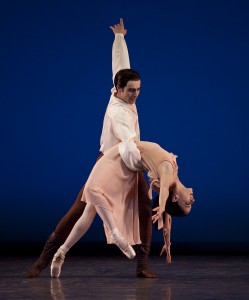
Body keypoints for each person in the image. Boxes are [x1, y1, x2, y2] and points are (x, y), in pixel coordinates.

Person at [27, 18, 156, 278]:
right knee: (80, 209)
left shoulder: (120, 89)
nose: (136, 95)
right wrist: (149, 168)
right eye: (131, 91)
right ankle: (44, 258)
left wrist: (119, 38)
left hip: (130, 162)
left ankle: (142, 264)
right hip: (113, 162)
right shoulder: (118, 113)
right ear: (119, 90)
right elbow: (130, 146)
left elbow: (121, 67)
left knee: (144, 204)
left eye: (138, 90)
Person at [50, 141, 194, 278]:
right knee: (90, 204)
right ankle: (63, 251)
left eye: (187, 204)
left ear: (175, 198)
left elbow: (164, 195)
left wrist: (162, 207)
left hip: (119, 158)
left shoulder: (167, 175)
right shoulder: (170, 180)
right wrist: (167, 245)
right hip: (122, 161)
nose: (192, 200)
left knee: (91, 195)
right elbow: (167, 212)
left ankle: (64, 251)